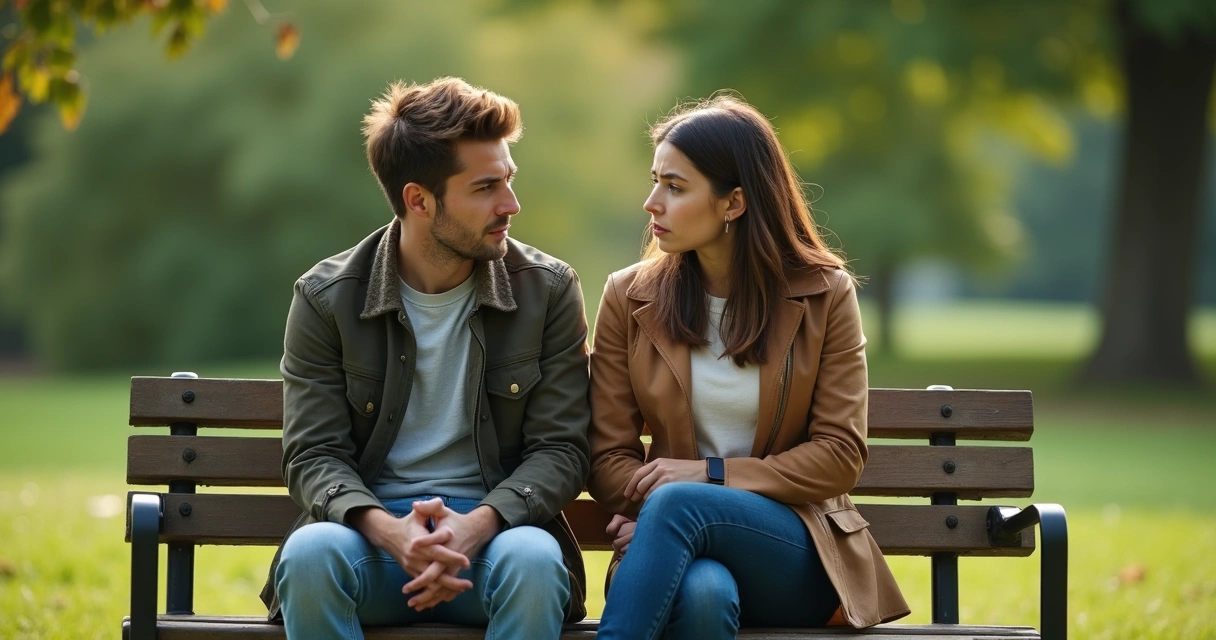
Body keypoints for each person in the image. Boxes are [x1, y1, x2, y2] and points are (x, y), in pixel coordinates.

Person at [259, 77, 591, 640]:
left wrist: (474, 528)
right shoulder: (326, 298)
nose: (511, 205)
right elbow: (313, 453)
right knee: (310, 555)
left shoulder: (548, 290)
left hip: (499, 537)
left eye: (508, 179)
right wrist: (394, 535)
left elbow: (561, 448)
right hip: (371, 535)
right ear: (419, 199)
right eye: (486, 187)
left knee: (536, 562)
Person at [586, 94, 910, 639]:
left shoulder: (823, 295)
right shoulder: (629, 296)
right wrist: (661, 512)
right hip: (670, 546)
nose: (652, 203)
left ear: (733, 203)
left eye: (675, 186)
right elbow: (606, 453)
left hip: (793, 548)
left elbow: (840, 455)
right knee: (706, 594)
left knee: (679, 502)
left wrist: (708, 478)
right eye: (655, 180)